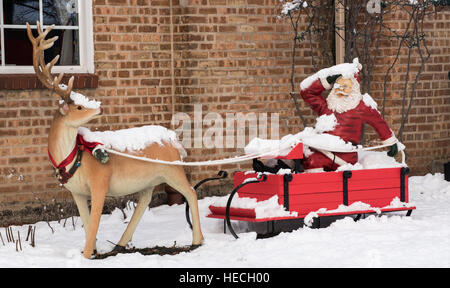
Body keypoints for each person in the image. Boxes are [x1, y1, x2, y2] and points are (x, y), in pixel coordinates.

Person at [299, 59, 399, 172]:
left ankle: (317, 188)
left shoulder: (363, 107)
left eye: (345, 86)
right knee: (301, 157)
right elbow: (306, 92)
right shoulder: (326, 106)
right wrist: (326, 81)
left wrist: (391, 142)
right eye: (338, 85)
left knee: (313, 161)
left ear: (354, 87)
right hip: (322, 149)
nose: (341, 89)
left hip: (344, 155)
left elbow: (379, 124)